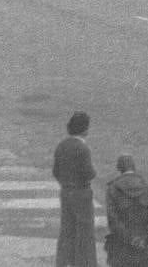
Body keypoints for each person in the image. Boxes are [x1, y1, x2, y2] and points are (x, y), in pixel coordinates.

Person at [53, 111, 97, 267]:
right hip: (81, 192)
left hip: (65, 191)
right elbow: (88, 173)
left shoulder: (61, 146)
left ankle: (64, 262)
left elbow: (55, 172)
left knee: (66, 230)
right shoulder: (83, 148)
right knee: (85, 230)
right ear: (84, 129)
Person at [105, 155, 148, 267]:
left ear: (119, 168)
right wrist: (145, 238)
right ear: (134, 167)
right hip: (143, 246)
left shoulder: (113, 189)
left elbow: (113, 219)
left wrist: (130, 239)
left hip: (120, 247)